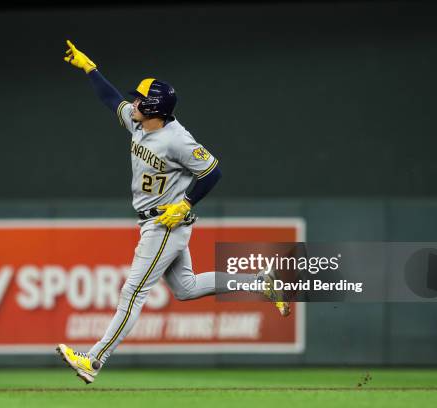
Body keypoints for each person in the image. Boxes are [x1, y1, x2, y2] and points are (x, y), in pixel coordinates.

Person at [57, 40, 289, 384]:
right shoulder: (139, 124)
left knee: (132, 293)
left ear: (152, 108)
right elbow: (111, 100)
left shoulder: (176, 139)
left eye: (139, 99)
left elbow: (212, 171)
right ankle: (260, 283)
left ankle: (93, 360)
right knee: (186, 288)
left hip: (164, 223)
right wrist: (91, 69)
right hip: (159, 222)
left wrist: (185, 203)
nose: (132, 102)